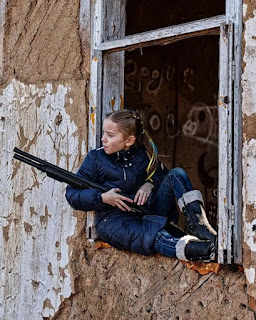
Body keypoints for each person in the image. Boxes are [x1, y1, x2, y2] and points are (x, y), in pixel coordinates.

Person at [66, 109, 217, 262]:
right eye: (104, 133)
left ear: (129, 141)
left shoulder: (142, 155)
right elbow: (72, 194)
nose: (103, 139)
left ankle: (206, 234)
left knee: (177, 175)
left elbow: (162, 175)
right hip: (114, 222)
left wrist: (149, 184)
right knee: (153, 237)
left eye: (110, 135)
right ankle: (203, 251)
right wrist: (102, 198)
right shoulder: (95, 158)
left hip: (146, 211)